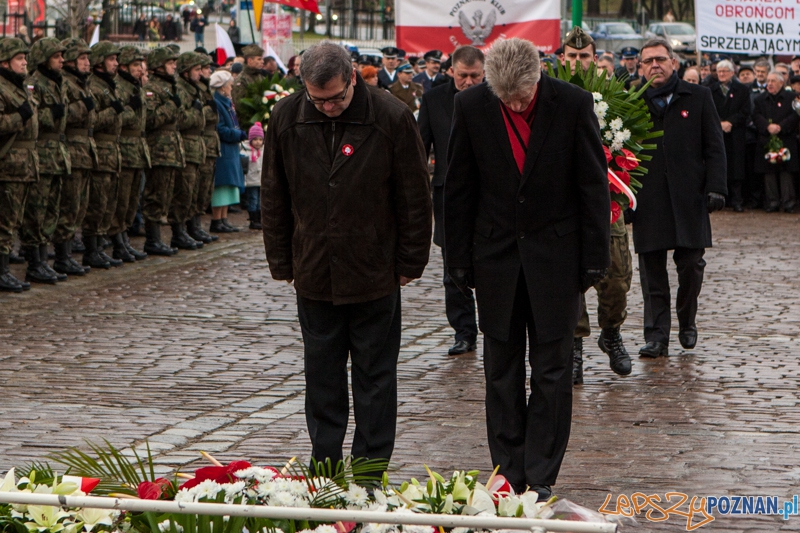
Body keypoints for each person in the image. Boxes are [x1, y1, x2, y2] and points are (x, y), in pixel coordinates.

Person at [443, 38, 610, 499]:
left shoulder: (572, 104)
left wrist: (596, 259)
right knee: (501, 368)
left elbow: (592, 185)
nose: (515, 105)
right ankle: (508, 468)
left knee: (553, 371)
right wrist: (456, 259)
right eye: (507, 98)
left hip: (557, 258)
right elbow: (458, 188)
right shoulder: (472, 105)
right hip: (495, 258)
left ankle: (541, 471)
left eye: (522, 97)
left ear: (538, 78)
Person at [262, 41, 432, 471]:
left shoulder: (390, 116)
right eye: (318, 100)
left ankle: (370, 469)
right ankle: (325, 464)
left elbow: (414, 195)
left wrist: (412, 261)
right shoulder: (286, 117)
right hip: (315, 271)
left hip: (374, 271)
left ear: (353, 77)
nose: (329, 107)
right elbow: (274, 194)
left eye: (337, 97)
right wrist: (281, 260)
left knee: (374, 377)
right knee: (322, 376)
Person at [633, 38, 727, 357]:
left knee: (691, 265)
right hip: (649, 199)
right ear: (640, 67)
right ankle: (657, 336)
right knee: (652, 271)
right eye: (648, 61)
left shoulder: (698, 96)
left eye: (660, 59)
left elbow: (714, 146)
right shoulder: (631, 101)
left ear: (674, 63)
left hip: (690, 197)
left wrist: (717, 187)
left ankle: (687, 320)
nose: (654, 65)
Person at [556, 27, 634, 384]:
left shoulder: (613, 94)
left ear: (596, 58)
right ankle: (573, 346)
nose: (577, 62)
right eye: (571, 57)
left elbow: (634, 139)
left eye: (584, 56)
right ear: (562, 58)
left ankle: (611, 331)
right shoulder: (547, 93)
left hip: (606, 199)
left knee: (616, 275)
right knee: (569, 277)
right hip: (563, 202)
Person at [418, 45, 483, 356]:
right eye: (462, 76)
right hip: (448, 195)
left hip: (487, 195)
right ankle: (463, 331)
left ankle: (495, 327)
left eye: (475, 76)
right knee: (452, 267)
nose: (468, 82)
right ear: (451, 72)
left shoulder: (494, 97)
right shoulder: (433, 100)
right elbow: (421, 147)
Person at [20, 38, 70, 285]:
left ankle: (45, 261)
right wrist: (53, 114)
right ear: (44, 59)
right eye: (56, 56)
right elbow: (32, 116)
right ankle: (35, 263)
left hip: (57, 154)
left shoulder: (57, 82)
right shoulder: (34, 83)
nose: (62, 60)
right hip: (42, 153)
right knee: (36, 212)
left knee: (52, 209)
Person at [54, 37, 95, 277]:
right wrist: (84, 107)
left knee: (79, 206)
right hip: (71, 148)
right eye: (82, 58)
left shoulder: (81, 83)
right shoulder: (67, 83)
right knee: (69, 206)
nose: (87, 62)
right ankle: (63, 256)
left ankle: (69, 254)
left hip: (84, 150)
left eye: (87, 58)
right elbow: (63, 114)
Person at [83, 41, 125, 269]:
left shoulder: (111, 86)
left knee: (109, 204)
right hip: (100, 152)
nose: (115, 63)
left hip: (113, 153)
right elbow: (93, 121)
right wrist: (112, 111)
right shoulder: (95, 86)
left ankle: (100, 248)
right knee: (96, 205)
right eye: (111, 59)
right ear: (100, 62)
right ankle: (92, 250)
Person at [0, 38, 38, 293]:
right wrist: (19, 116)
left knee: (13, 221)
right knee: (4, 222)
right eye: (19, 59)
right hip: (8, 164)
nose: (25, 62)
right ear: (5, 62)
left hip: (24, 164)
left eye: (25, 58)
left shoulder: (19, 86)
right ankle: (1, 271)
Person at [142, 46, 183, 256]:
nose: (174, 67)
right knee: (156, 194)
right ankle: (152, 239)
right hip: (159, 147)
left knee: (167, 194)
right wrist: (170, 107)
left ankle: (160, 237)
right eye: (169, 63)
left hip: (172, 147)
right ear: (159, 66)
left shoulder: (171, 87)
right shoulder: (153, 88)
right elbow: (150, 119)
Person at [112, 45, 150, 262]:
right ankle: (118, 243)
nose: (139, 69)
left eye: (140, 65)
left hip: (137, 149)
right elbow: (116, 118)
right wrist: (129, 109)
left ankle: (124, 240)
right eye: (135, 65)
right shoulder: (119, 87)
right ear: (125, 66)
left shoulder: (135, 88)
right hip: (124, 148)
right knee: (122, 199)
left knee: (132, 199)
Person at [170, 52, 207, 250]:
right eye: (196, 69)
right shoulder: (182, 90)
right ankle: (179, 231)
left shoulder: (194, 89)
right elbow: (181, 119)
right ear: (186, 72)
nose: (200, 74)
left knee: (194, 191)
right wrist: (195, 112)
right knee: (183, 192)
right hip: (186, 145)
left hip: (196, 145)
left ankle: (191, 227)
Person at [753, 71, 799, 213]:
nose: (770, 84)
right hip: (767, 139)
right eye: (769, 81)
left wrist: (781, 127)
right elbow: (756, 115)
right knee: (769, 172)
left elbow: (795, 115)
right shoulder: (760, 99)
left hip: (786, 138)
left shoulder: (791, 97)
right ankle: (772, 201)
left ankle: (788, 202)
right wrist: (768, 126)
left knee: (786, 172)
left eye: (773, 81)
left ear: (781, 82)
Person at [710, 60, 750, 212]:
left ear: (732, 73)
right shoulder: (710, 90)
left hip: (736, 133)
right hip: (717, 133)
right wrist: (719, 123)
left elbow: (746, 111)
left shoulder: (742, 90)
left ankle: (737, 200)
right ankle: (721, 200)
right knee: (720, 165)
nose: (721, 74)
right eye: (719, 71)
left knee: (737, 167)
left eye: (724, 71)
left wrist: (730, 122)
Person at [189, 52, 220, 244]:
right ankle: (189, 227)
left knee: (203, 189)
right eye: (202, 68)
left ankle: (196, 225)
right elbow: (197, 115)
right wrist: (207, 110)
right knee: (191, 190)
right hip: (195, 142)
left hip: (205, 143)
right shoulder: (191, 90)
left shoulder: (204, 89)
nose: (207, 71)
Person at [210, 69, 245, 232]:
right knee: (222, 186)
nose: (231, 88)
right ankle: (217, 219)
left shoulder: (227, 102)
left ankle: (223, 218)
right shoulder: (217, 104)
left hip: (231, 149)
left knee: (229, 186)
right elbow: (221, 129)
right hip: (223, 149)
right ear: (222, 87)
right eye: (230, 85)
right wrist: (238, 134)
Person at [232, 44, 264, 126]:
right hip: (247, 123)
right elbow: (240, 105)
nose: (262, 61)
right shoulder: (241, 80)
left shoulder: (261, 77)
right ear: (250, 60)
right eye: (259, 59)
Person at [242, 122, 263, 230]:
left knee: (260, 200)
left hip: (260, 181)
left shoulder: (263, 152)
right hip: (251, 181)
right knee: (253, 200)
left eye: (260, 139)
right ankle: (253, 219)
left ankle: (259, 218)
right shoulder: (247, 152)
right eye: (255, 139)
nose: (258, 142)